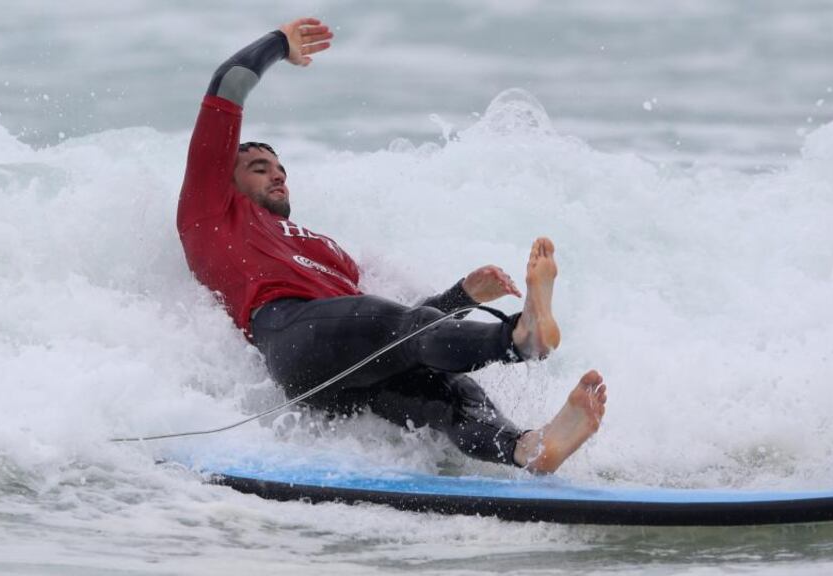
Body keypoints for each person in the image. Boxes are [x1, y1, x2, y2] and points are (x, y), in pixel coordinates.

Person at [176, 17, 607, 473]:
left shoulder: (329, 252)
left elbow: (393, 334)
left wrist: (461, 297)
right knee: (400, 325)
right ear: (225, 179)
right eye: (260, 167)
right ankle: (519, 338)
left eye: (280, 167)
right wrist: (280, 43)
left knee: (450, 391)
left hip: (344, 374)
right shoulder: (211, 214)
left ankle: (529, 448)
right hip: (289, 337)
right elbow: (229, 83)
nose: (277, 173)